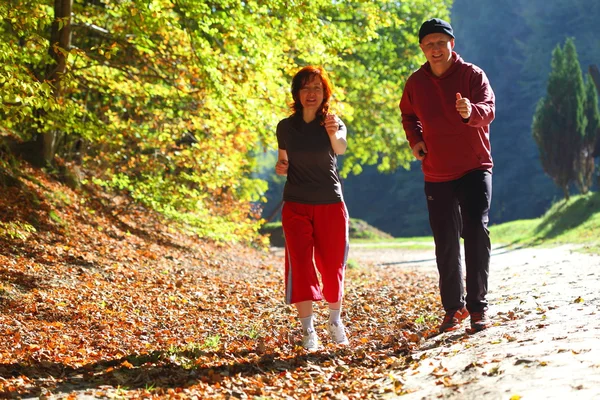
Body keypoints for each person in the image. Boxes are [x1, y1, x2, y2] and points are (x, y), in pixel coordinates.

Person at [399, 18, 496, 333]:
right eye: (429, 45)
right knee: (445, 242)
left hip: (474, 166)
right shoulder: (416, 82)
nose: (435, 49)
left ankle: (478, 308)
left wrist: (471, 112)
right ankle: (454, 309)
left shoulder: (472, 75)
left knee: (476, 232)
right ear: (422, 49)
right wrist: (416, 140)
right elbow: (408, 114)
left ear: (452, 44)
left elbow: (489, 108)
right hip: (437, 172)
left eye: (441, 42)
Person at [275, 65, 350, 351]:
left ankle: (334, 321)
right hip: (296, 204)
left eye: (317, 88)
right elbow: (283, 162)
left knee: (332, 267)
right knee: (301, 267)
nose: (311, 93)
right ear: (297, 92)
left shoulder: (333, 122)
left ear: (324, 93)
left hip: (330, 204)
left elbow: (340, 148)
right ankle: (308, 331)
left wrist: (333, 132)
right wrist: (281, 166)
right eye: (305, 87)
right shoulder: (285, 127)